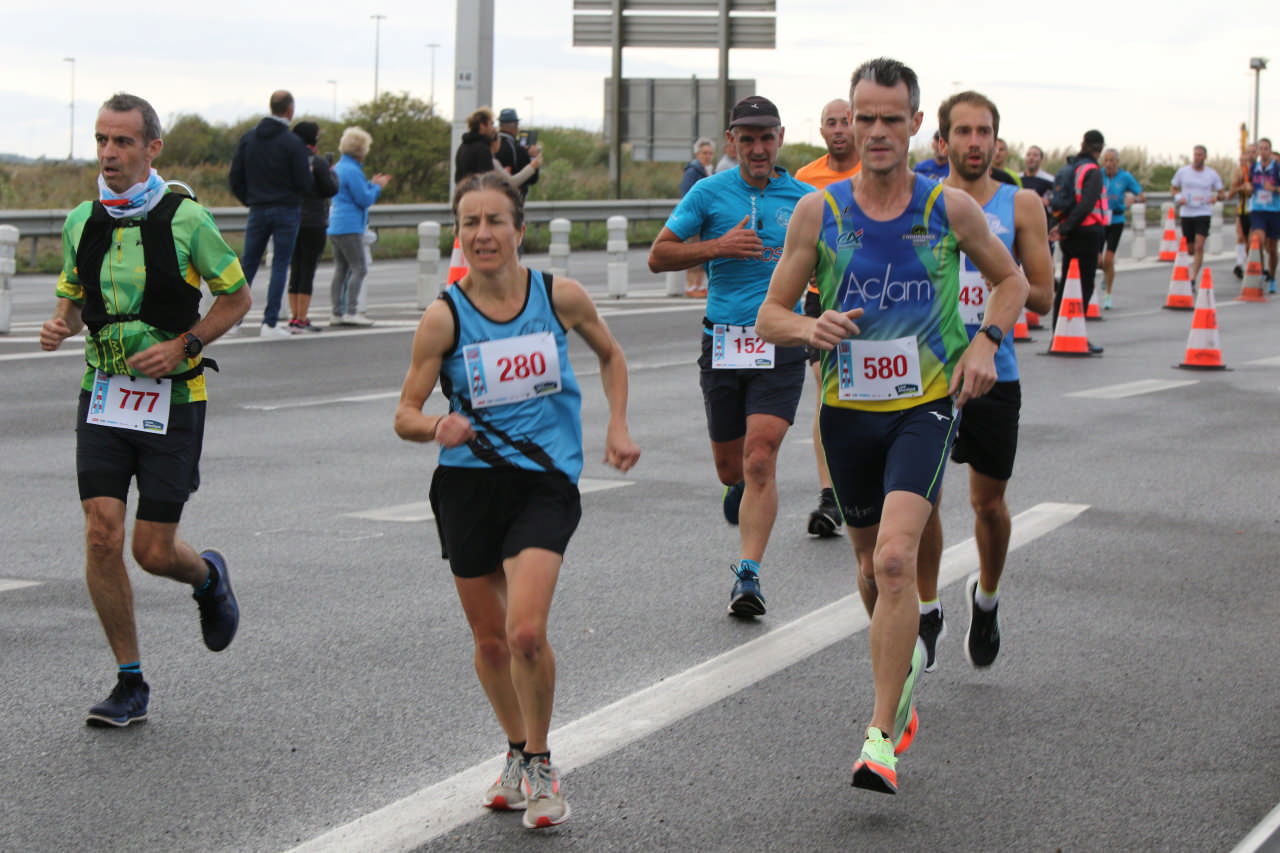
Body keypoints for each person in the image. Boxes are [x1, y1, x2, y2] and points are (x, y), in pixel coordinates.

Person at [756, 57, 1029, 796]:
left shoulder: (949, 210)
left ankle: (881, 736)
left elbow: (1012, 281)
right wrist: (808, 326)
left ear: (914, 125)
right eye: (865, 117)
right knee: (868, 566)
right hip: (847, 412)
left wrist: (985, 341)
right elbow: (769, 315)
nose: (876, 131)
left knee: (898, 560)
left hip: (924, 404)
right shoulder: (820, 212)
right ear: (851, 121)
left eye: (890, 119)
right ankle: (901, 656)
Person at [394, 172, 640, 829]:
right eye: (470, 223)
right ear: (458, 234)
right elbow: (404, 414)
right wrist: (436, 425)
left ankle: (540, 760)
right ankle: (514, 750)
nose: (482, 234)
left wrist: (617, 426)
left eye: (495, 220)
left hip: (544, 481)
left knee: (524, 630)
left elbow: (612, 356)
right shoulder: (444, 316)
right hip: (467, 485)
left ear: (519, 229)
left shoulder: (559, 297)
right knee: (490, 639)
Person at [40, 93, 250, 727]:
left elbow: (236, 298)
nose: (109, 153)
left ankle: (207, 578)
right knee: (101, 534)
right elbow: (74, 296)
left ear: (151, 149)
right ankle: (129, 682)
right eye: (102, 140)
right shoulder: (83, 220)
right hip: (104, 393)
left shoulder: (187, 219)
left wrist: (185, 345)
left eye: (123, 141)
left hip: (173, 399)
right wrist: (60, 323)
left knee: (151, 551)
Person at [648, 94, 811, 618]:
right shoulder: (708, 192)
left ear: (780, 138)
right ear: (731, 142)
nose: (758, 149)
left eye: (766, 138)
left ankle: (748, 575)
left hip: (780, 341)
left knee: (761, 456)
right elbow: (658, 256)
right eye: (747, 139)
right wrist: (717, 246)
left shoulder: (806, 201)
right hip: (723, 341)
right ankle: (737, 485)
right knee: (730, 467)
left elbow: (837, 262)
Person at [915, 90, 1054, 674]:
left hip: (995, 372)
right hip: (927, 374)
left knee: (988, 504)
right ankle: (926, 610)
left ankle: (987, 599)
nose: (975, 143)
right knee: (920, 500)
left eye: (985, 132)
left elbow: (1042, 297)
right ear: (942, 140)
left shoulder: (1021, 204)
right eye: (964, 132)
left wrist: (997, 274)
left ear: (997, 142)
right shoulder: (920, 202)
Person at [795, 98, 861, 538]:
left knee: (870, 396)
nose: (839, 129)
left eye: (846, 121)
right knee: (827, 394)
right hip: (822, 300)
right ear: (821, 131)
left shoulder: (874, 171)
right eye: (831, 123)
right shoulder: (806, 179)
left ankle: (869, 480)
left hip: (876, 299)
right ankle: (829, 495)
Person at [229, 90, 312, 338]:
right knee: (280, 265)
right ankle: (270, 322)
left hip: (258, 208)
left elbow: (235, 176)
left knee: (248, 265)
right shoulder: (292, 143)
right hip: (286, 209)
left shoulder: (249, 138)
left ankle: (233, 320)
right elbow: (304, 181)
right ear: (290, 110)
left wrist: (250, 199)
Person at [1049, 130, 1107, 353]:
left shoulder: (1072, 167)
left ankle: (1059, 333)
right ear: (1100, 148)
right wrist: (1066, 228)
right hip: (1087, 232)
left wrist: (1062, 227)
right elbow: (1086, 205)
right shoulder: (1092, 171)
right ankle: (1074, 333)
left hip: (1070, 234)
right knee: (1084, 286)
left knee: (1066, 285)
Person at [327, 127, 390, 327]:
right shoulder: (353, 170)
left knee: (341, 269)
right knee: (359, 268)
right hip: (350, 225)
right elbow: (364, 199)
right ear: (361, 150)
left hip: (335, 224)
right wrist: (377, 187)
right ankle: (352, 311)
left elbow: (353, 192)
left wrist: (370, 184)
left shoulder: (338, 167)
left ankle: (337, 312)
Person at [286, 121, 339, 332]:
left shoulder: (288, 159)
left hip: (291, 218)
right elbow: (330, 188)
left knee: (295, 268)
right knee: (308, 269)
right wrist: (331, 173)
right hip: (314, 220)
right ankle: (302, 317)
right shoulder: (318, 162)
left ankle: (293, 317)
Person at [1171, 144, 1226, 288]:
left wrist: (1216, 198)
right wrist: (1178, 198)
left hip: (1203, 212)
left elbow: (1222, 193)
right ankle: (1193, 264)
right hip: (1187, 212)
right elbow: (1173, 189)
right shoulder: (1183, 172)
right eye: (1195, 155)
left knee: (1199, 245)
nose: (1197, 158)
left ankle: (1193, 277)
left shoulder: (1211, 174)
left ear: (1205, 157)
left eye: (1200, 155)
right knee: (1190, 249)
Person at [1099, 148, 1146, 309]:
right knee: (1098, 261)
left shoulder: (1125, 177)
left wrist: (1133, 200)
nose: (1108, 164)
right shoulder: (1098, 174)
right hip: (1100, 219)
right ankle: (1106, 272)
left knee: (1109, 260)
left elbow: (1141, 196)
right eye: (1106, 160)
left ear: (1117, 162)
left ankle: (1108, 295)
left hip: (1117, 220)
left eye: (1112, 160)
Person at [678, 137, 716, 298]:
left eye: (710, 153)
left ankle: (699, 285)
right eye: (704, 153)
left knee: (703, 252)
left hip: (706, 218)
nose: (707, 156)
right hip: (695, 217)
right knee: (693, 251)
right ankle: (691, 285)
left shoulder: (710, 170)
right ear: (697, 154)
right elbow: (686, 194)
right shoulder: (693, 171)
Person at [1249, 138, 1280, 292]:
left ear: (1270, 150)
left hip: (1274, 211)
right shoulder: (1253, 168)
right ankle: (1261, 271)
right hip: (1258, 210)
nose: (1263, 151)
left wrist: (1274, 188)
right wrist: (1248, 188)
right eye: (1260, 148)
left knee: (1272, 248)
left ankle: (1272, 277)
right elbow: (1249, 185)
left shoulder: (1277, 168)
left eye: (1266, 148)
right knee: (1258, 240)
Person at [494, 108, 544, 201]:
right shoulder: (518, 149)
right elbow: (532, 179)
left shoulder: (492, 145)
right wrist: (532, 157)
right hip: (512, 199)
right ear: (516, 126)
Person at [1231, 144, 1257, 279]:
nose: (1250, 155)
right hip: (1244, 209)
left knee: (1255, 239)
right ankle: (1242, 264)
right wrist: (1242, 187)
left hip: (1259, 210)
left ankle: (1255, 266)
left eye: (1253, 152)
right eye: (1248, 152)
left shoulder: (1261, 169)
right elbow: (1231, 193)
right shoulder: (1240, 172)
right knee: (1242, 238)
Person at [456, 107, 498, 182]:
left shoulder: (462, 147)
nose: (493, 128)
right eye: (491, 124)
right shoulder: (482, 149)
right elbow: (487, 180)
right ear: (482, 125)